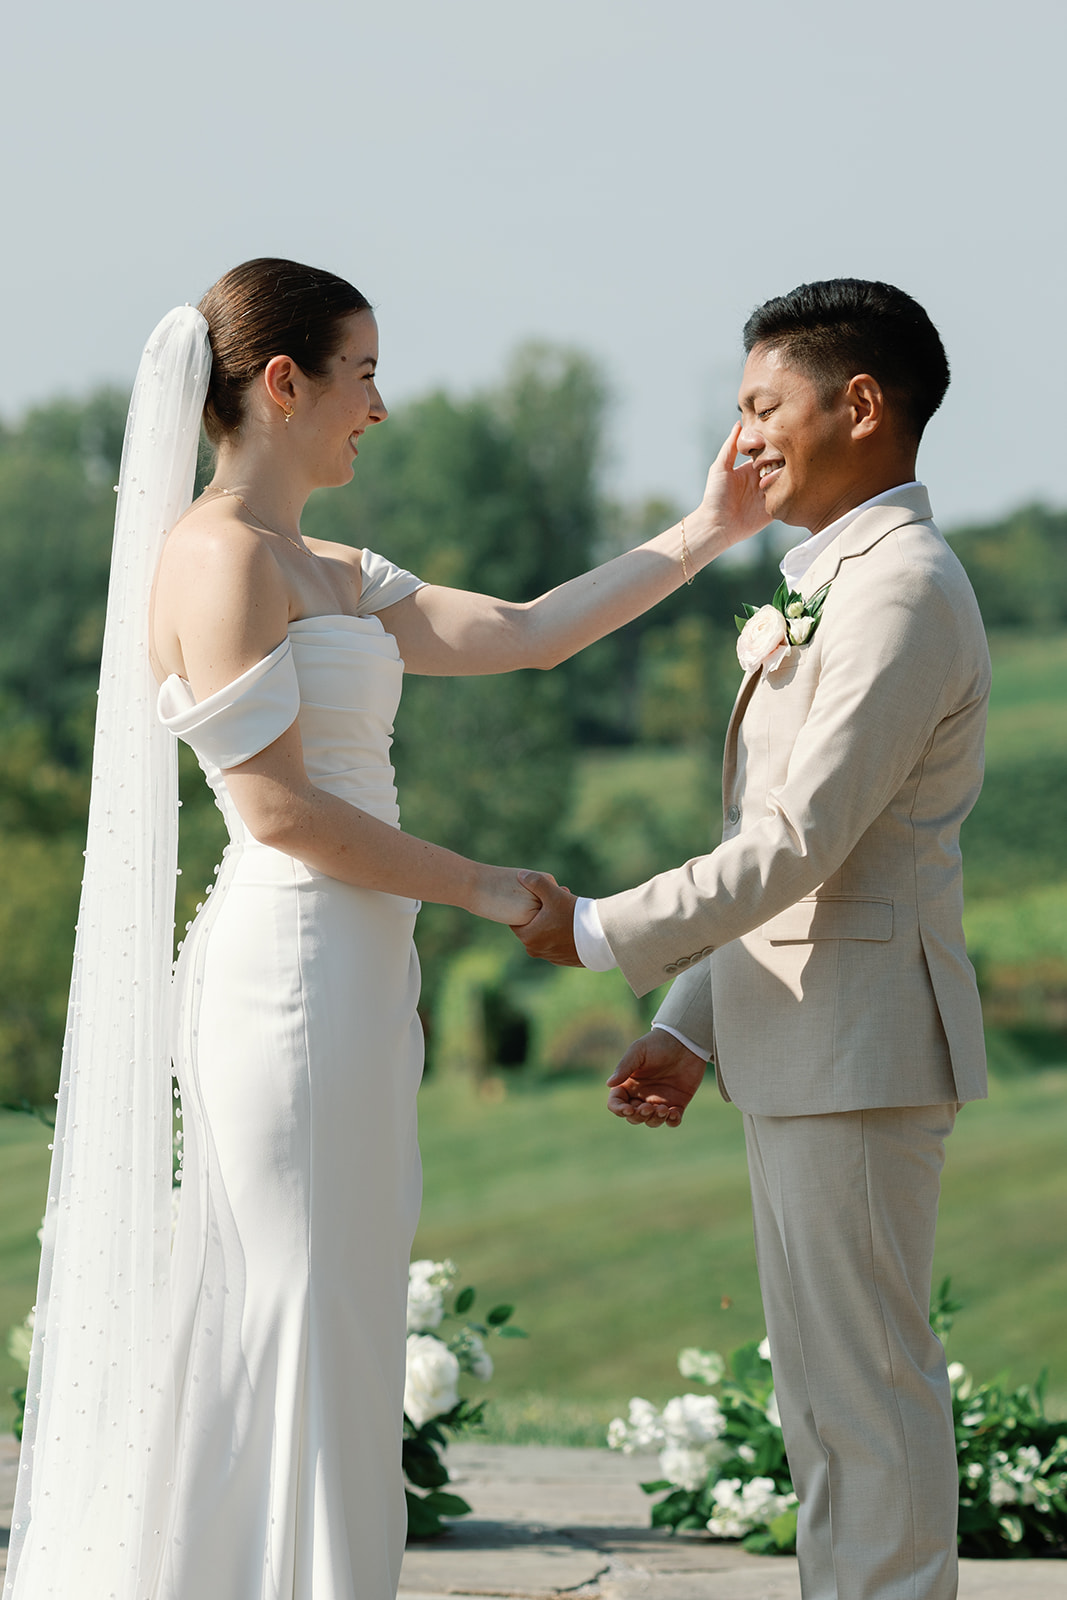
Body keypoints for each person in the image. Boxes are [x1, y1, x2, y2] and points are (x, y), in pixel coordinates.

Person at [6, 258, 766, 1600]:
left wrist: (708, 527)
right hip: (290, 968)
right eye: (362, 374)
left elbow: (529, 633)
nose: (381, 406)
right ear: (282, 381)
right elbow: (282, 812)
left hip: (359, 970)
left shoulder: (326, 566)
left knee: (345, 1299)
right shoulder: (218, 554)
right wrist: (481, 885)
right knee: (298, 1298)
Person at [516, 279, 990, 1600]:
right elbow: (789, 856)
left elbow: (797, 850)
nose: (744, 440)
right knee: (832, 1410)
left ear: (862, 405)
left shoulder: (897, 592)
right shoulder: (840, 581)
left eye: (763, 406)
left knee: (870, 1403)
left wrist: (610, 932)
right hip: (808, 1042)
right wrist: (686, 1026)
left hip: (861, 1049)